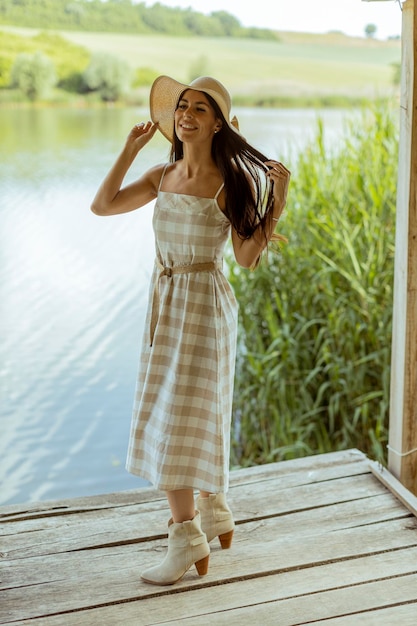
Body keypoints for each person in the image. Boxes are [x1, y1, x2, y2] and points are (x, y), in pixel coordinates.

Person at [91, 75, 290, 586]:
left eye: (200, 108)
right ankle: (214, 510)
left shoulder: (230, 183)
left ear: (217, 122)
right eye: (182, 106)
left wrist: (277, 203)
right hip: (166, 303)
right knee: (173, 412)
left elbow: (246, 258)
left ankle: (185, 539)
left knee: (180, 419)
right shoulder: (161, 175)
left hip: (206, 307)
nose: (187, 114)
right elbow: (103, 204)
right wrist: (129, 150)